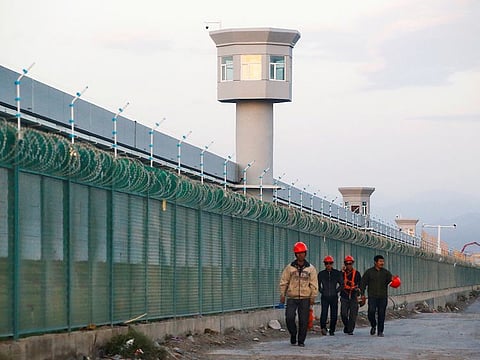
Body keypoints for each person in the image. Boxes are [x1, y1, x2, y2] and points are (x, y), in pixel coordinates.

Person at [279, 241, 318, 347]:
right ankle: (293, 333)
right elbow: (284, 281)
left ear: (305, 254)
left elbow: (313, 283)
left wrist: (313, 296)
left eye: (302, 253)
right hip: (292, 297)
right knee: (289, 318)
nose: (301, 255)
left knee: (304, 320)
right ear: (295, 254)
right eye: (298, 253)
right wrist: (282, 294)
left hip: (305, 297)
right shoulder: (290, 268)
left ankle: (301, 340)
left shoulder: (310, 268)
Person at [359, 254, 393, 337]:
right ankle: (373, 325)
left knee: (381, 314)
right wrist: (362, 294)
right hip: (372, 297)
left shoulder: (386, 273)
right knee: (371, 312)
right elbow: (363, 284)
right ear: (375, 262)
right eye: (380, 261)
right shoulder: (369, 272)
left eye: (383, 261)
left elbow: (391, 281)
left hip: (383, 297)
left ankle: (380, 331)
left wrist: (395, 281)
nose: (382, 263)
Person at [318, 255, 343, 335]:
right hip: (325, 297)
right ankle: (323, 328)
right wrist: (322, 291)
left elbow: (342, 284)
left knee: (334, 314)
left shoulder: (336, 273)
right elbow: (318, 285)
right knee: (324, 313)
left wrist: (336, 291)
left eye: (330, 263)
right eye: (326, 263)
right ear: (324, 264)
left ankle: (332, 330)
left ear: (332, 264)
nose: (328, 265)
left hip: (334, 296)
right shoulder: (321, 274)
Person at [340, 255, 362, 335]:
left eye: (350, 263)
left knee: (353, 314)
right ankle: (347, 326)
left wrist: (359, 291)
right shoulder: (342, 273)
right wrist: (341, 272)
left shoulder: (357, 274)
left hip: (353, 296)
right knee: (343, 314)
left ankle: (350, 330)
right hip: (344, 296)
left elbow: (361, 284)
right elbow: (338, 281)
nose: (348, 265)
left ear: (352, 263)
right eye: (347, 263)